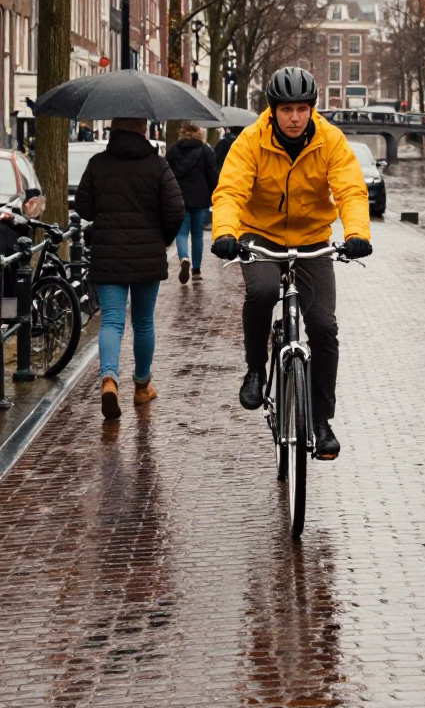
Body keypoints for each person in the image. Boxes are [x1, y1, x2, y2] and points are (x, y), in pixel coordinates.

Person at [211, 67, 371, 460]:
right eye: (287, 110)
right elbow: (231, 189)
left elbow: (350, 188)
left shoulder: (330, 140)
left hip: (312, 237)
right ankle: (255, 369)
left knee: (323, 326)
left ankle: (321, 420)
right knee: (263, 290)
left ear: (312, 110)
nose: (295, 118)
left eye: (302, 109)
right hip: (259, 233)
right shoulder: (251, 140)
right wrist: (225, 233)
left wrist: (356, 235)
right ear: (273, 111)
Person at [74, 117, 185, 420]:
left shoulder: (98, 163)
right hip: (147, 256)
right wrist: (162, 239)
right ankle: (141, 386)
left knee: (112, 320)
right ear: (144, 130)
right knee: (144, 322)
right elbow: (176, 209)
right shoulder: (158, 165)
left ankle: (109, 379)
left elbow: (82, 207)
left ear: (113, 130)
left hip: (108, 253)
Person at [166, 123, 219, 285]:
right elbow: (212, 175)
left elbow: (166, 174)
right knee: (197, 235)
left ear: (181, 133)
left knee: (181, 233)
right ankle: (196, 270)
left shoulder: (174, 151)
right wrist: (213, 194)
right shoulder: (206, 151)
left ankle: (183, 257)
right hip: (200, 198)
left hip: (180, 198)